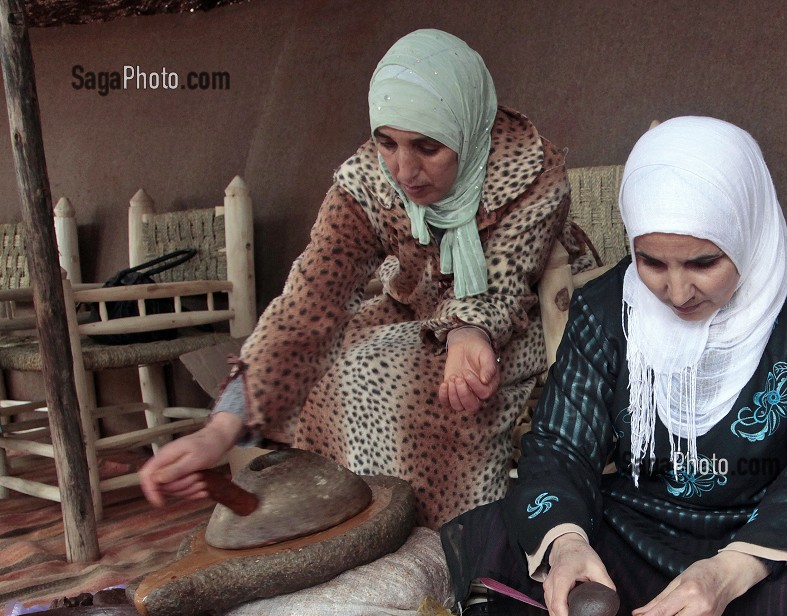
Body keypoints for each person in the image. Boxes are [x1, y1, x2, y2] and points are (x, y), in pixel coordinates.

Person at [440, 116, 787, 616]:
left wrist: (729, 571)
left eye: (704, 262)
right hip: (643, 524)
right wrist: (567, 546)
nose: (676, 292)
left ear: (747, 230)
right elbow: (560, 446)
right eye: (652, 262)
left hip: (766, 535)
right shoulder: (606, 307)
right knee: (502, 531)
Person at [138, 28, 592, 527]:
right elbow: (310, 299)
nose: (404, 169)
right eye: (387, 142)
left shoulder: (529, 168)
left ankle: (449, 543)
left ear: (467, 127)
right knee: (329, 367)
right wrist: (221, 429)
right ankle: (352, 531)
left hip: (521, 317)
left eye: (427, 147)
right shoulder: (367, 181)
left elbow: (507, 277)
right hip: (415, 307)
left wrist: (467, 332)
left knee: (418, 385)